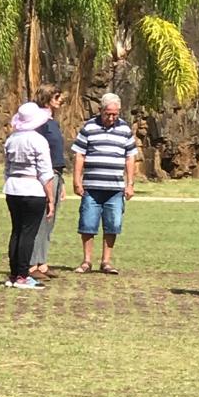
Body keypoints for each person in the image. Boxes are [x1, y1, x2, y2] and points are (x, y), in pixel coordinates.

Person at [71, 92, 137, 275]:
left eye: (115, 114)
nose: (111, 117)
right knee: (87, 223)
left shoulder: (125, 129)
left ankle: (106, 261)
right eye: (108, 113)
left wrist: (130, 183)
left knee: (113, 224)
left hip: (115, 188)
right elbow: (79, 154)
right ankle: (86, 261)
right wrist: (77, 180)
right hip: (92, 187)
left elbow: (130, 157)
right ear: (100, 110)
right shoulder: (89, 127)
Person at [3, 102, 55, 290]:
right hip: (32, 188)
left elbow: (7, 168)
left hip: (13, 188)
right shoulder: (38, 140)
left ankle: (14, 273)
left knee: (16, 231)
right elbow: (45, 172)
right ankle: (23, 276)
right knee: (28, 233)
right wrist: (50, 198)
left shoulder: (11, 139)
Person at [29, 85, 66, 278]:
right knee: (42, 219)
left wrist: (62, 184)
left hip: (57, 174)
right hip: (46, 175)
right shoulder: (40, 123)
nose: (61, 100)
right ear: (46, 99)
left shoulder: (53, 123)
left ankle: (42, 262)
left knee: (50, 220)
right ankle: (32, 264)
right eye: (57, 96)